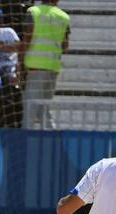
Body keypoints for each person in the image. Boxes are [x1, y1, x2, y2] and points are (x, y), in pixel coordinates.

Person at [21, 0, 70, 129]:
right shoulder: (63, 16)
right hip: (53, 67)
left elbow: (26, 40)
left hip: (35, 67)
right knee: (44, 107)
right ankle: (50, 137)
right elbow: (65, 46)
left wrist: (19, 63)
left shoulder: (33, 12)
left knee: (30, 109)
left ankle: (25, 142)